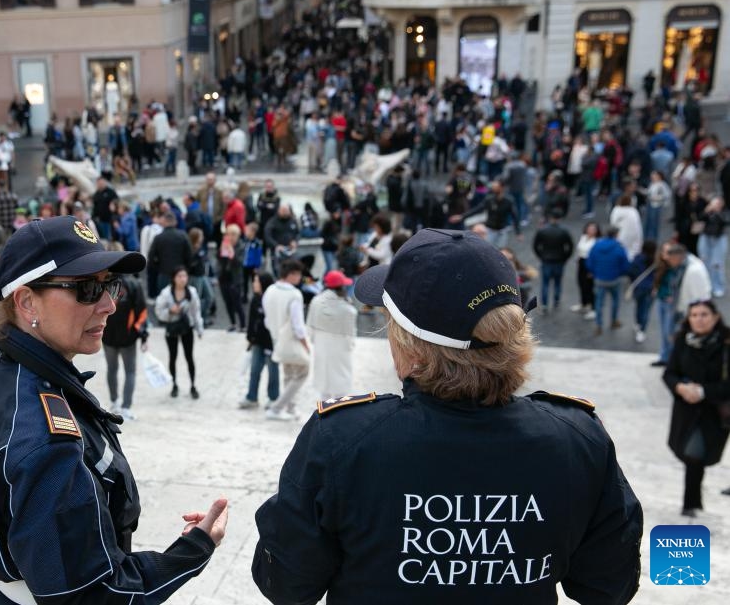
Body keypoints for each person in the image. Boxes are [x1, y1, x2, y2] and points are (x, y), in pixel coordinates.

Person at [253, 228, 643, 603]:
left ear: (409, 343)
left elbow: (287, 585)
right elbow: (609, 586)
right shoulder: (577, 439)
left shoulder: (342, 440)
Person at [0, 215, 227, 603]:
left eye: (110, 284)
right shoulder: (47, 440)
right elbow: (96, 593)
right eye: (87, 289)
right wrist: (194, 550)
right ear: (27, 301)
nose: (110, 305)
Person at [662, 299, 730, 517]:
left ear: (715, 317)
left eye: (704, 314)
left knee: (696, 454)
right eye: (694, 315)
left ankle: (690, 504)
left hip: (715, 411)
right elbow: (669, 373)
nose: (699, 319)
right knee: (692, 454)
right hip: (687, 410)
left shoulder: (726, 343)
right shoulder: (683, 340)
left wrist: (702, 391)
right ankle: (693, 503)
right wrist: (680, 387)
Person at [262, 259, 310, 421]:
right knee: (303, 372)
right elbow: (298, 325)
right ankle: (278, 408)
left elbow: (267, 319)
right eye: (298, 274)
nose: (300, 278)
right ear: (291, 274)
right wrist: (306, 345)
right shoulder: (294, 294)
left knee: (289, 373)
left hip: (276, 337)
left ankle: (291, 407)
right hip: (291, 339)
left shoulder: (269, 290)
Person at [102, 273, 149, 420]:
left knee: (112, 369)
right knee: (130, 372)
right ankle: (125, 407)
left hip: (108, 335)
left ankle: (115, 403)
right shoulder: (134, 284)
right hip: (127, 337)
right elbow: (142, 310)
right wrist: (142, 334)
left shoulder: (104, 281)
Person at [307, 270, 358, 401]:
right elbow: (350, 338)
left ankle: (324, 413)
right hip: (340, 349)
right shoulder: (348, 310)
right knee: (341, 382)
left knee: (324, 383)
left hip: (321, 345)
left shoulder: (316, 302)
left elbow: (310, 329)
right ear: (341, 287)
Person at [154, 267, 204, 399]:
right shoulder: (166, 293)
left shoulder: (191, 293)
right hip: (172, 328)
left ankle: (193, 385)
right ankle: (174, 385)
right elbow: (158, 311)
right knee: (173, 357)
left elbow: (196, 312)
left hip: (187, 328)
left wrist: (199, 329)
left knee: (189, 357)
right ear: (174, 278)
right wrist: (170, 311)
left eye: (184, 276)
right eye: (179, 276)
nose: (182, 279)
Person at [240, 272, 280, 409]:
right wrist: (250, 338)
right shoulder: (255, 299)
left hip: (271, 342)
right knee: (254, 370)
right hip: (257, 342)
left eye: (256, 281)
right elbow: (251, 321)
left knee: (273, 371)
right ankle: (252, 397)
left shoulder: (272, 300)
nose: (253, 284)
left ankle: (274, 398)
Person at [587, 227, 630, 336]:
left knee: (599, 303)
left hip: (600, 279)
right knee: (615, 301)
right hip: (614, 279)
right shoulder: (619, 248)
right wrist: (619, 273)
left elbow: (590, 262)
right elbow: (625, 265)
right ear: (616, 235)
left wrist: (595, 272)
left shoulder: (597, 246)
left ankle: (598, 325)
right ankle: (613, 320)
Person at [532, 209, 574, 314]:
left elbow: (536, 245)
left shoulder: (542, 230)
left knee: (545, 283)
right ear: (560, 219)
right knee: (558, 282)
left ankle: (545, 304)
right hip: (559, 260)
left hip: (546, 260)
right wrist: (565, 257)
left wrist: (541, 256)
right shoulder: (564, 231)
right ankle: (556, 300)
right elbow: (570, 246)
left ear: (550, 218)